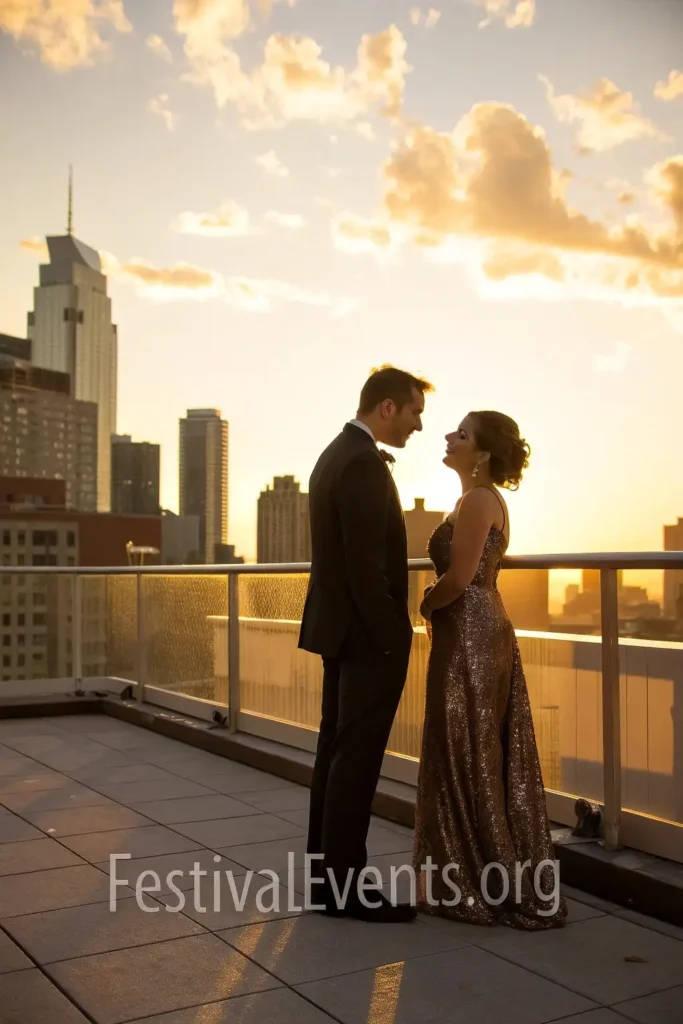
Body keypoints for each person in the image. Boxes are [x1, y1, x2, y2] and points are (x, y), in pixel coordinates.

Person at [413, 411, 568, 929]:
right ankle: (477, 870)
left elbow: (459, 577)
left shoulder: (478, 500)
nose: (448, 436)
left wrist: (427, 604)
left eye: (460, 432)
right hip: (480, 631)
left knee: (462, 748)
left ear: (479, 451)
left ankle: (474, 878)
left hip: (470, 634)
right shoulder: (477, 499)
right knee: (473, 747)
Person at [298, 364, 434, 922]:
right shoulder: (361, 463)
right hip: (365, 637)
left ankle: (326, 881)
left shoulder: (336, 453)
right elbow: (363, 569)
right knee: (355, 760)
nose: (418, 426)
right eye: (414, 413)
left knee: (336, 754)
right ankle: (347, 888)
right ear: (387, 408)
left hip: (339, 630)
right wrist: (392, 637)